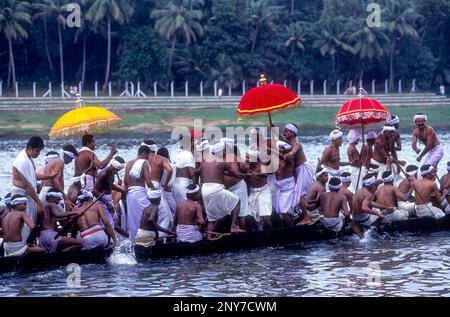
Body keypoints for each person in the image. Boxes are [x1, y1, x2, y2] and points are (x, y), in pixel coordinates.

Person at [12, 136, 55, 240]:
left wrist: (48, 177)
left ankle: (30, 243)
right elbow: (28, 185)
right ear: (30, 148)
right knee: (26, 224)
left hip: (29, 194)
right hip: (21, 195)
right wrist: (39, 203)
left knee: (31, 220)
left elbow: (34, 176)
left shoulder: (29, 159)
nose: (38, 154)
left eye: (39, 151)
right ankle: (25, 246)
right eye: (37, 151)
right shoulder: (22, 161)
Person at [199, 143, 246, 237]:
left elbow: (197, 172)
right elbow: (235, 175)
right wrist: (245, 176)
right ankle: (233, 226)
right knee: (237, 201)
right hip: (215, 189)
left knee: (212, 219)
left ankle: (209, 238)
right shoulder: (222, 162)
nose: (225, 151)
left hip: (204, 190)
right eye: (223, 150)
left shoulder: (204, 162)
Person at [124, 145, 155, 240]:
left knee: (133, 218)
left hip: (130, 194)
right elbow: (149, 182)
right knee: (145, 215)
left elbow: (125, 181)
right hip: (140, 193)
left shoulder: (129, 163)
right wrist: (155, 191)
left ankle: (134, 239)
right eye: (148, 155)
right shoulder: (144, 163)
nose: (148, 157)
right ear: (144, 153)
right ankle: (144, 238)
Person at [282, 123, 314, 214]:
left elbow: (293, 152)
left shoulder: (296, 143)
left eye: (286, 131)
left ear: (293, 133)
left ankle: (306, 217)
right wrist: (273, 131)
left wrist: (285, 155)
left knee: (299, 195)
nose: (284, 133)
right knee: (298, 194)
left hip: (303, 169)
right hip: (298, 170)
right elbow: (280, 139)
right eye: (283, 131)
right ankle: (303, 213)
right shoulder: (289, 143)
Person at [92, 156, 128, 237]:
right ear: (113, 167)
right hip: (101, 200)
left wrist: (122, 190)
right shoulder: (103, 173)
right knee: (108, 224)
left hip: (108, 199)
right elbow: (94, 191)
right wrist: (107, 203)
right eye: (117, 170)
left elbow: (110, 185)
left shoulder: (111, 172)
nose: (117, 172)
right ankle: (110, 241)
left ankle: (129, 237)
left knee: (114, 221)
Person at [39, 188, 84, 253]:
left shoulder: (43, 207)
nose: (58, 201)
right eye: (57, 199)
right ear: (52, 198)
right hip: (50, 236)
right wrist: (74, 212)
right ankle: (61, 254)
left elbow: (60, 218)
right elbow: (58, 215)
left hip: (42, 237)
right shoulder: (52, 204)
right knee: (81, 243)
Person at [220, 140, 251, 230]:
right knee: (230, 212)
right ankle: (233, 230)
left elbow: (235, 173)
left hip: (238, 187)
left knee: (241, 214)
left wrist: (222, 170)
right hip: (226, 189)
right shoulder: (219, 157)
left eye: (223, 146)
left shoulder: (231, 157)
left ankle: (244, 233)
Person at [38, 144, 78, 209]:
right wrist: (65, 197)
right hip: (49, 193)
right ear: (66, 156)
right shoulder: (60, 162)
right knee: (61, 214)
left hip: (45, 192)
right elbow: (55, 180)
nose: (71, 161)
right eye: (71, 159)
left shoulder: (55, 161)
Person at [246, 150, 273, 230]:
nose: (246, 159)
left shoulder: (261, 165)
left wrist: (256, 174)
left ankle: (272, 232)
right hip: (253, 192)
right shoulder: (246, 166)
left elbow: (265, 174)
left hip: (263, 192)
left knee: (265, 215)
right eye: (246, 157)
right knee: (250, 215)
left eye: (248, 157)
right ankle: (258, 231)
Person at [274, 141, 297, 227]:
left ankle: (291, 230)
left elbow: (284, 157)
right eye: (278, 147)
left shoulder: (289, 157)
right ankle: (286, 228)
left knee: (285, 212)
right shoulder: (276, 159)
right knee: (280, 211)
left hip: (288, 187)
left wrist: (272, 150)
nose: (279, 149)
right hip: (279, 187)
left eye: (281, 147)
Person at [173, 132, 196, 205]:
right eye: (193, 141)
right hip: (185, 186)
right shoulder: (188, 155)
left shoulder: (179, 154)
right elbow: (192, 174)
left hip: (176, 186)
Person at [158, 147, 177, 218]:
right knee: (174, 210)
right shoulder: (174, 166)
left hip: (162, 189)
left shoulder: (160, 167)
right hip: (170, 190)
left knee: (165, 211)